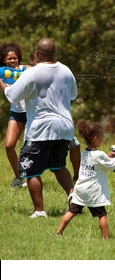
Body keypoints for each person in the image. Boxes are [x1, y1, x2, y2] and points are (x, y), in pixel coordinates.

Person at [1, 38, 77, 218]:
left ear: (37, 53)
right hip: (65, 127)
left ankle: (39, 210)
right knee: (58, 165)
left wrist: (3, 86)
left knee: (30, 169)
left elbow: (13, 95)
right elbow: (73, 95)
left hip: (41, 129)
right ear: (54, 52)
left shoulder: (32, 73)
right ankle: (73, 195)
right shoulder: (66, 70)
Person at [56, 120, 115, 239]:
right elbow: (112, 166)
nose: (102, 139)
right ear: (95, 138)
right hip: (93, 192)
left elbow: (99, 162)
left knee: (71, 211)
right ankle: (105, 238)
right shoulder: (99, 155)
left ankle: (58, 232)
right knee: (102, 214)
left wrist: (109, 156)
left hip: (80, 190)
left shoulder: (84, 153)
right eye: (101, 137)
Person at [0, 42, 29, 189]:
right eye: (9, 59)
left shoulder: (26, 70)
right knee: (9, 145)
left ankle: (32, 176)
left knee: (29, 148)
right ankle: (19, 179)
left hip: (31, 113)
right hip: (17, 112)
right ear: (4, 60)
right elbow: (9, 96)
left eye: (14, 58)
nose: (12, 61)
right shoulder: (2, 75)